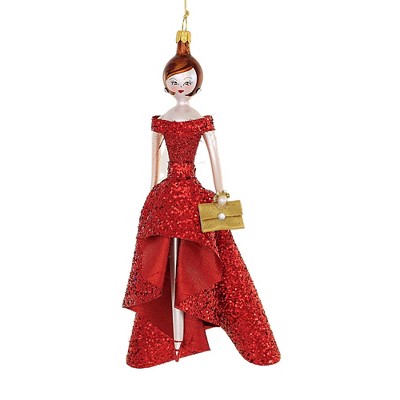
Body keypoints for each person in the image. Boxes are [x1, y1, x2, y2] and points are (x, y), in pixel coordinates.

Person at [122, 31, 281, 368]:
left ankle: (191, 327)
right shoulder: (161, 121)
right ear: (167, 84)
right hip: (167, 196)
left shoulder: (201, 120)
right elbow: (154, 163)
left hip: (192, 194)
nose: (181, 87)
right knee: (166, 262)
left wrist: (221, 194)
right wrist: (154, 195)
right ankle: (172, 336)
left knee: (200, 256)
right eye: (175, 82)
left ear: (196, 84)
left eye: (187, 81)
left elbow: (215, 159)